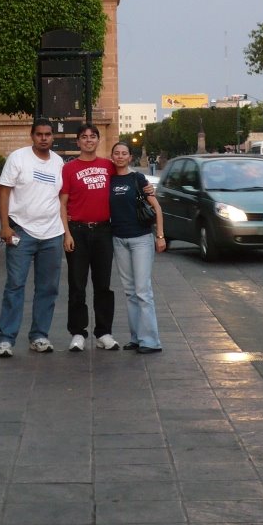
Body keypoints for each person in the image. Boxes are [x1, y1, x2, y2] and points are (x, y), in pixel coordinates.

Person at [0, 118, 65, 357]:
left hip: (52, 234)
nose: (43, 138)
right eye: (39, 134)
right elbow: (4, 192)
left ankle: (39, 336)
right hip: (21, 232)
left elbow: (63, 198)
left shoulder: (58, 163)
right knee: (15, 286)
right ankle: (6, 339)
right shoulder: (18, 158)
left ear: (52, 137)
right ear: (32, 136)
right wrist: (5, 226)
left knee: (48, 288)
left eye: (47, 134)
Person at [60, 123, 119, 352]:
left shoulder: (108, 166)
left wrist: (146, 189)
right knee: (77, 284)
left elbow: (125, 180)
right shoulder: (69, 168)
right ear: (78, 142)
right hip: (78, 231)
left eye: (93, 136)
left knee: (103, 284)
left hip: (104, 230)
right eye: (84, 137)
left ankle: (104, 332)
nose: (88, 140)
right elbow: (62, 203)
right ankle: (77, 332)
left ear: (98, 140)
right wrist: (67, 233)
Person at [109, 141, 165, 354]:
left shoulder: (138, 179)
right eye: (117, 153)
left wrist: (160, 236)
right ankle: (136, 337)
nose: (121, 156)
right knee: (130, 291)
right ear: (112, 157)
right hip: (119, 239)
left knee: (143, 291)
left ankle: (151, 341)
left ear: (130, 157)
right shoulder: (109, 180)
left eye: (124, 153)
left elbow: (156, 208)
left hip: (141, 238)